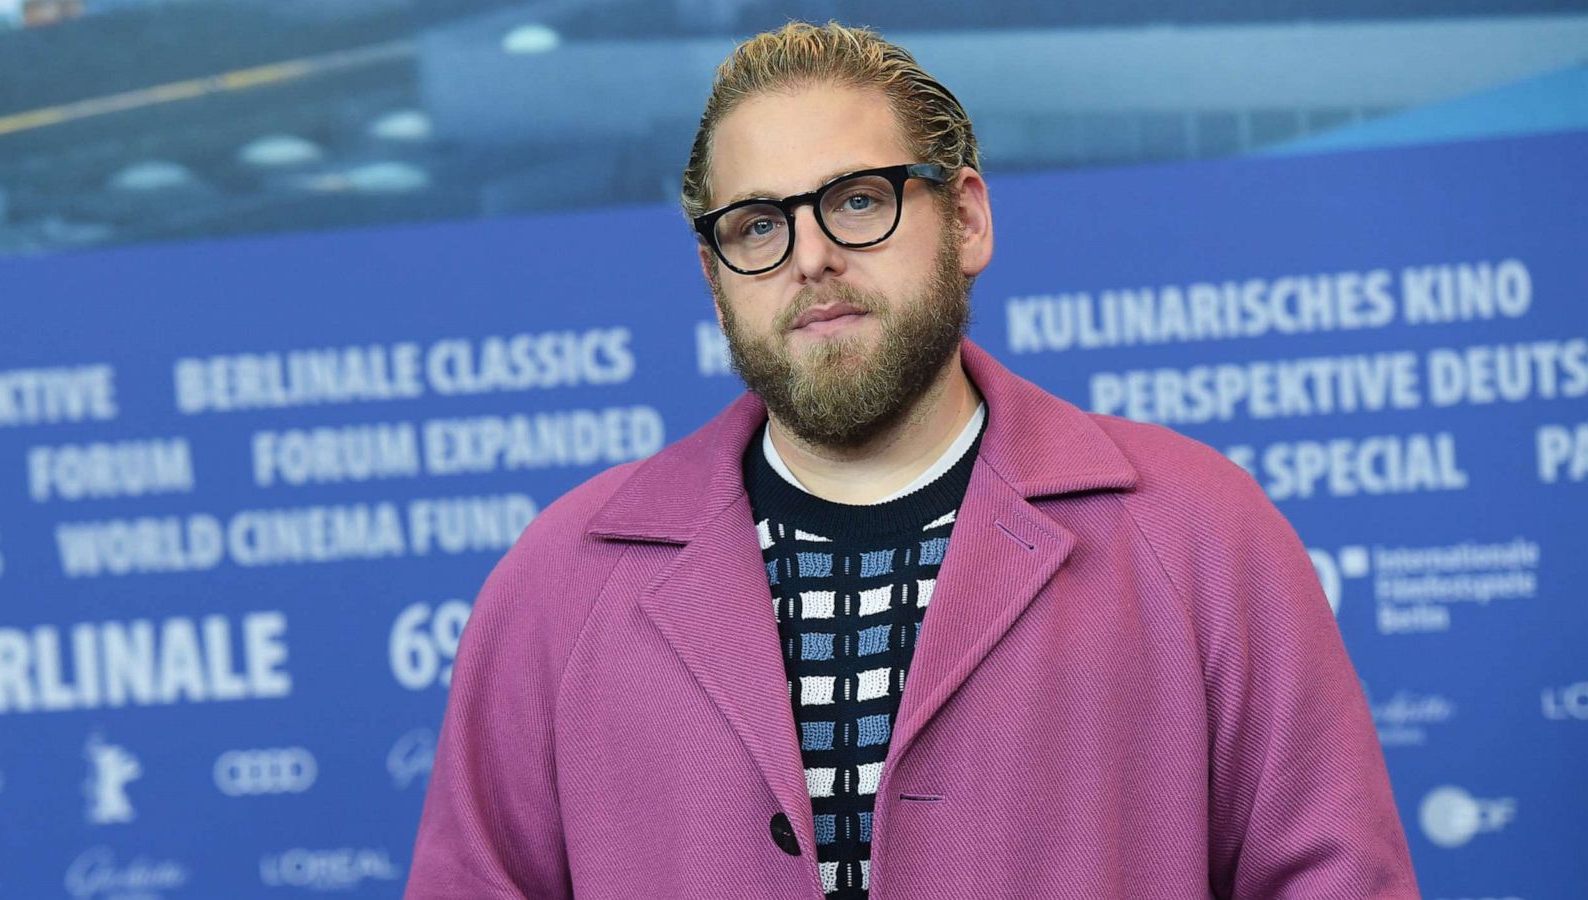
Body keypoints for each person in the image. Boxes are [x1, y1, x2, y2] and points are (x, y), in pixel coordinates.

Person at [405, 21, 1419, 900]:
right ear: (716, 282)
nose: (809, 257)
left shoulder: (1196, 532)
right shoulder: (559, 584)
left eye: (856, 200)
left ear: (966, 218)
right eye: (756, 226)